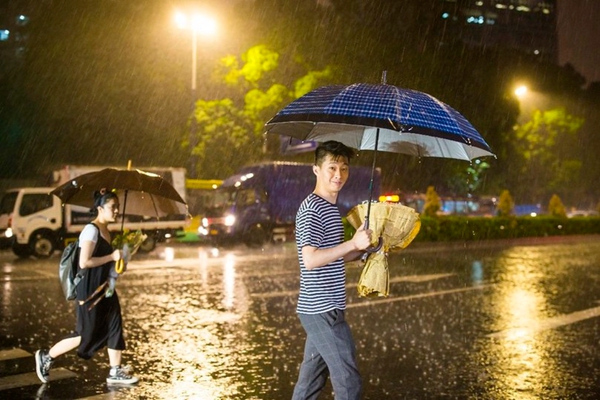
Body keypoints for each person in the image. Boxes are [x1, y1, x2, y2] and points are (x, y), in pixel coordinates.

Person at [292, 140, 373, 400]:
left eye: (344, 168)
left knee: (310, 384)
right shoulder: (312, 208)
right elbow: (310, 259)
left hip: (327, 307)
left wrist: (363, 251)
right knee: (348, 381)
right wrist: (352, 243)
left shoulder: (328, 208)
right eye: (332, 168)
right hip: (321, 309)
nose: (339, 174)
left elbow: (333, 256)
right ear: (316, 169)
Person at [35, 190, 138, 385]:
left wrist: (119, 264)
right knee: (85, 334)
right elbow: (85, 262)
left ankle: (115, 371)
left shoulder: (107, 231)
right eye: (112, 207)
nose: (117, 210)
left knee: (114, 326)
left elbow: (106, 262)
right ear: (100, 208)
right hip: (90, 289)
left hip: (105, 287)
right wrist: (111, 256)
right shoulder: (91, 230)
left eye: (118, 207)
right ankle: (46, 356)